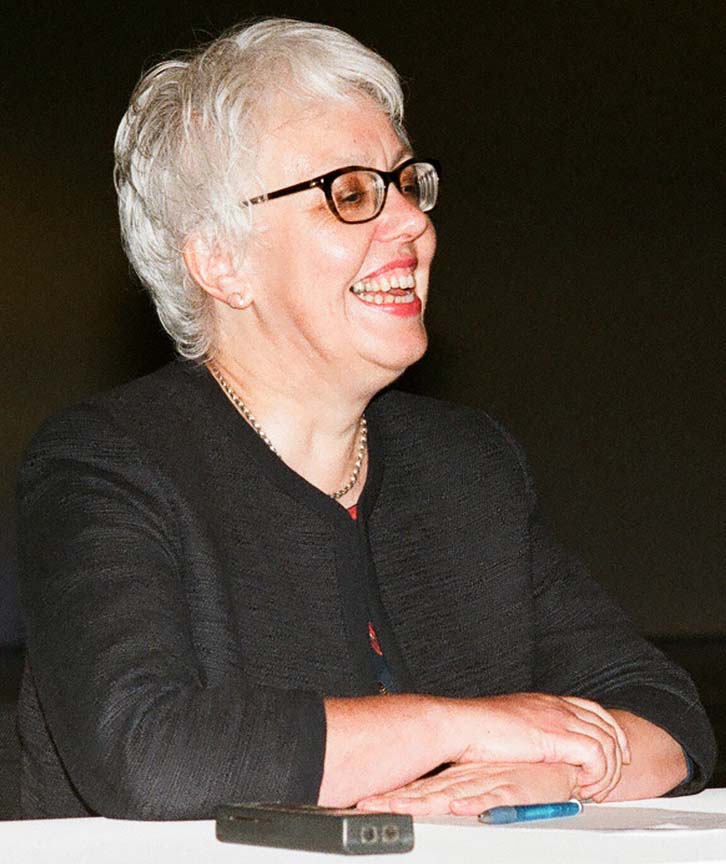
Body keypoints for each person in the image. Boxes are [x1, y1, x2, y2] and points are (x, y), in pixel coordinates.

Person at [16, 18, 715, 821]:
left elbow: (667, 716)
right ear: (220, 261)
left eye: (408, 183)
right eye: (351, 194)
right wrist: (465, 728)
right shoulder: (107, 463)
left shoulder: (465, 467)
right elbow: (147, 754)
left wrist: (559, 772)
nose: (412, 222)